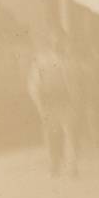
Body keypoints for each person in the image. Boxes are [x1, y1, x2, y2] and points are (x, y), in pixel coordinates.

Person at [27, 24, 80, 178]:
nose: (57, 42)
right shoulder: (41, 59)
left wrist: (76, 98)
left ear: (65, 40)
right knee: (52, 135)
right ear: (49, 40)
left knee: (70, 133)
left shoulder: (69, 59)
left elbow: (75, 81)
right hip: (49, 100)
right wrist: (38, 101)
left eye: (60, 38)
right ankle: (55, 165)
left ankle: (72, 166)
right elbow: (34, 81)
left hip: (66, 99)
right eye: (54, 38)